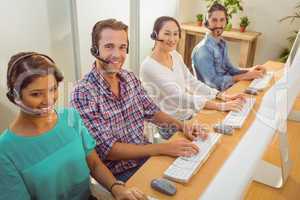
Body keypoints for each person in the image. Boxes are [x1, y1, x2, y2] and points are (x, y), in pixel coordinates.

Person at [71, 19, 207, 182]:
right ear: (95, 49)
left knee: (198, 173)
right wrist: (163, 148)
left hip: (147, 156)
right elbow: (109, 150)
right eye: (109, 46)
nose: (117, 55)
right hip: (120, 173)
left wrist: (183, 126)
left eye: (122, 47)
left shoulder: (128, 77)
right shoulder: (83, 93)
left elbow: (152, 111)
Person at [0, 52, 147, 200]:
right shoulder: (5, 151)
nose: (48, 100)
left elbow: (95, 164)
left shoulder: (71, 118)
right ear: (15, 96)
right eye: (36, 94)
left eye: (53, 89)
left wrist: (117, 188)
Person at [140, 16, 245, 124]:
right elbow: (177, 97)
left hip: (188, 115)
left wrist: (220, 95)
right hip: (169, 125)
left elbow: (191, 82)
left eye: (175, 34)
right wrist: (219, 106)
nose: (172, 39)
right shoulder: (149, 67)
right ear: (155, 35)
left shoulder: (175, 55)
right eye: (167, 34)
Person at [192, 3, 266, 91]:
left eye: (222, 20)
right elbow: (213, 83)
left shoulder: (222, 43)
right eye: (214, 20)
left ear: (226, 21)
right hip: (214, 96)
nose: (218, 24)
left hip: (226, 90)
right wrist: (244, 76)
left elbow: (230, 69)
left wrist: (249, 70)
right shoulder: (203, 50)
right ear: (207, 22)